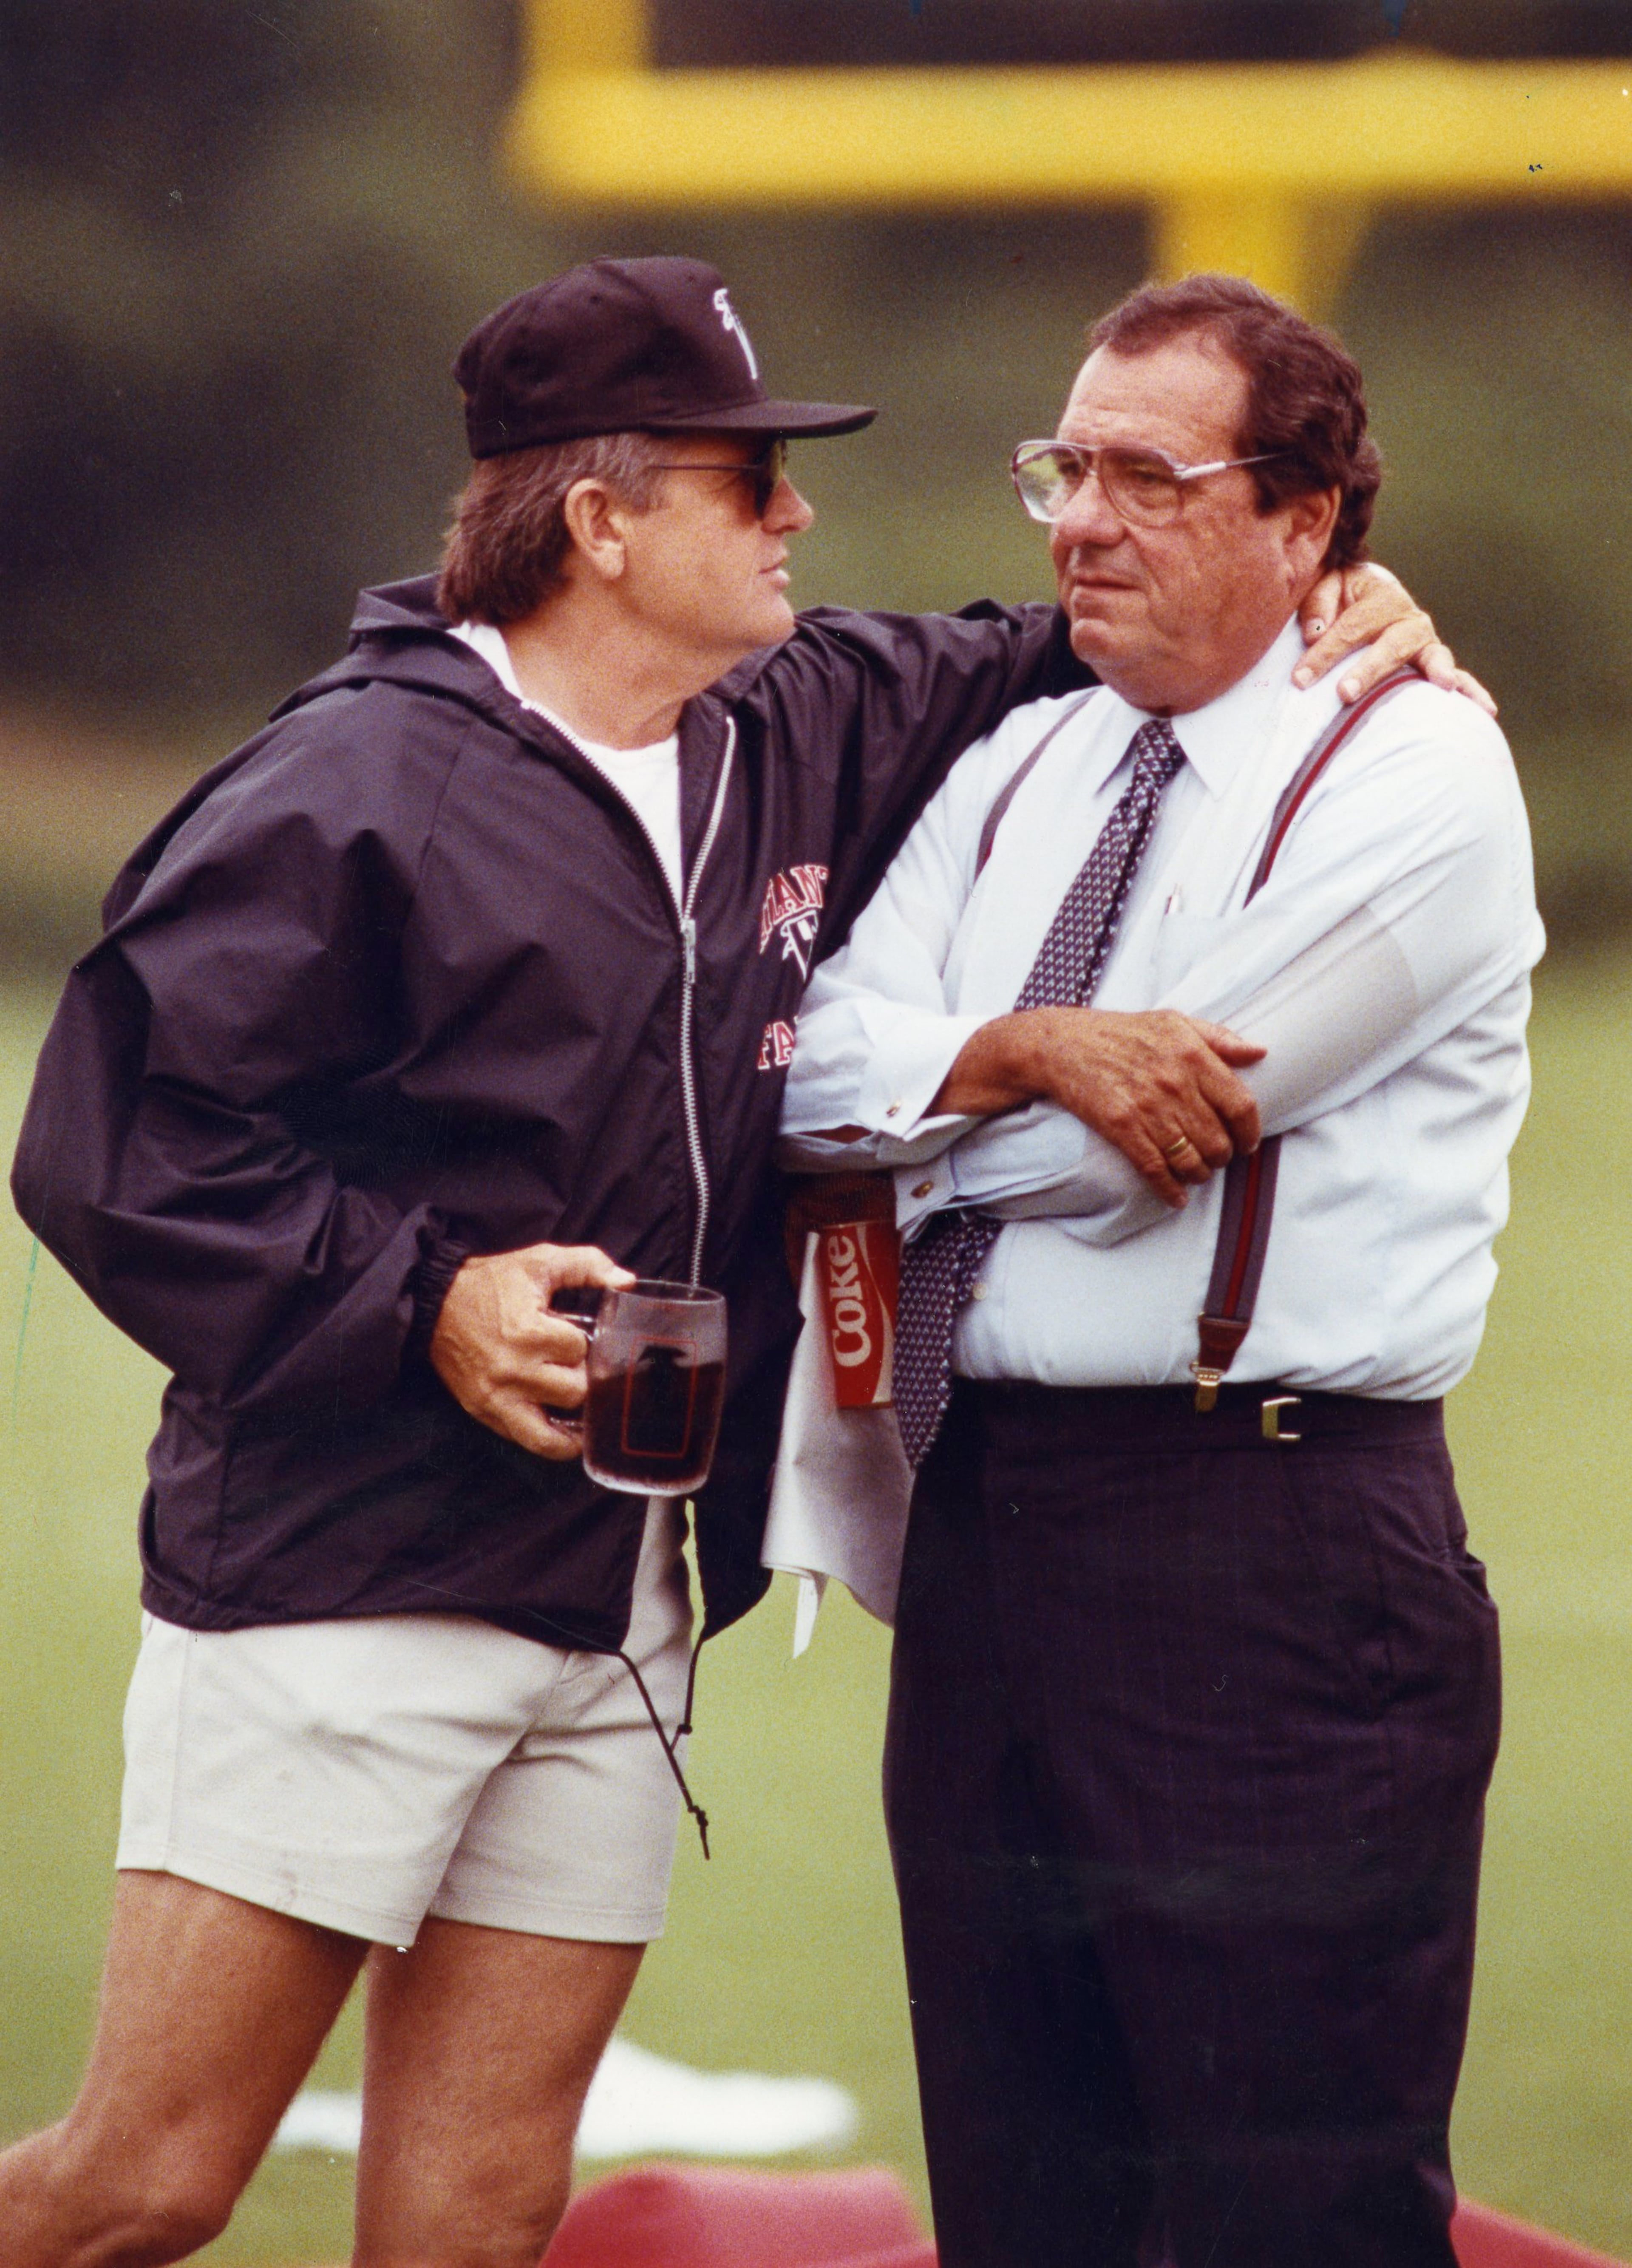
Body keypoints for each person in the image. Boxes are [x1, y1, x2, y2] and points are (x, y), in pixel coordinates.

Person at [5, 254, 1455, 2268]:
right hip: (346, 1572)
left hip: (617, 1593)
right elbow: (115, 1142)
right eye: (745, 478)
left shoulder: (791, 717)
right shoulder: (352, 780)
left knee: (480, 2212)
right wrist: (420, 1297)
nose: (794, 513)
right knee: (144, 2183)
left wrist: (1328, 600)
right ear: (600, 519)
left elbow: (1094, 630)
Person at [780, 275, 1541, 2268]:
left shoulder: (1418, 776)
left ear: (1308, 523)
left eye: (1146, 476)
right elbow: (808, 1073)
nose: (1077, 522)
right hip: (989, 1530)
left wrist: (939, 1131)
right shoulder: (1029, 761)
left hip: (1270, 1541)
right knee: (1026, 2200)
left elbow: (1139, 1162)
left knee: (1296, 2206)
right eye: (1066, 466)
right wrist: (1020, 1049)